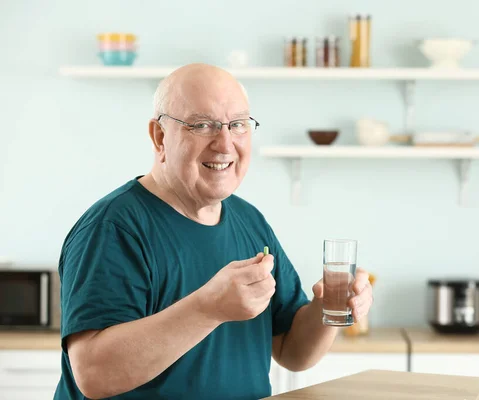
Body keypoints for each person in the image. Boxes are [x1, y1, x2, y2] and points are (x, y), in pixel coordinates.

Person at [53, 63, 374, 400]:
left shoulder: (250, 221)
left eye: (237, 125)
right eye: (202, 125)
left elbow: (293, 351)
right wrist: (208, 308)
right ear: (159, 137)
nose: (224, 144)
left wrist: (327, 309)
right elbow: (93, 375)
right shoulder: (113, 228)